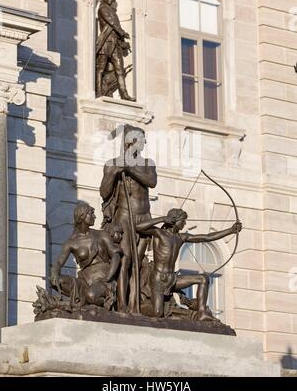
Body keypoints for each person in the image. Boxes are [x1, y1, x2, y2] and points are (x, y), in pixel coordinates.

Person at [136, 208, 242, 320]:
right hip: (158, 279)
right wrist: (163, 219)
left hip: (172, 279)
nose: (184, 223)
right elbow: (138, 227)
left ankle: (201, 313)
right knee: (157, 312)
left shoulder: (180, 238)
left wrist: (230, 231)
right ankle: (135, 308)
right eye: (183, 221)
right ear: (174, 220)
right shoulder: (159, 233)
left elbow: (207, 237)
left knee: (203, 279)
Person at [100, 125, 157, 312]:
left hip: (144, 216)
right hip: (124, 216)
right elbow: (104, 192)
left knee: (138, 262)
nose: (144, 143)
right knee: (125, 259)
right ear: (131, 142)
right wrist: (115, 173)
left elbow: (151, 182)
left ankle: (135, 305)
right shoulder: (112, 163)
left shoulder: (148, 163)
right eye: (141, 140)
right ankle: (122, 304)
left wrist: (130, 168)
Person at [49, 202, 123, 310]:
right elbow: (59, 262)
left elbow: (115, 255)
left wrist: (108, 278)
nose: (94, 216)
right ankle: (85, 301)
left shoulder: (101, 234)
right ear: (82, 216)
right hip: (84, 281)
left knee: (91, 295)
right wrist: (54, 273)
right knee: (57, 282)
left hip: (102, 278)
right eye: (91, 213)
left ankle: (105, 303)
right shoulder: (71, 242)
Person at [96, 0, 135, 101]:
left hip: (115, 44)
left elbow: (116, 27)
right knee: (100, 68)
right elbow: (112, 23)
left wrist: (123, 42)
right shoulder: (103, 9)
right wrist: (122, 32)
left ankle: (124, 94)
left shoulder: (112, 11)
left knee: (119, 69)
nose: (113, 1)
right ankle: (98, 91)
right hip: (105, 44)